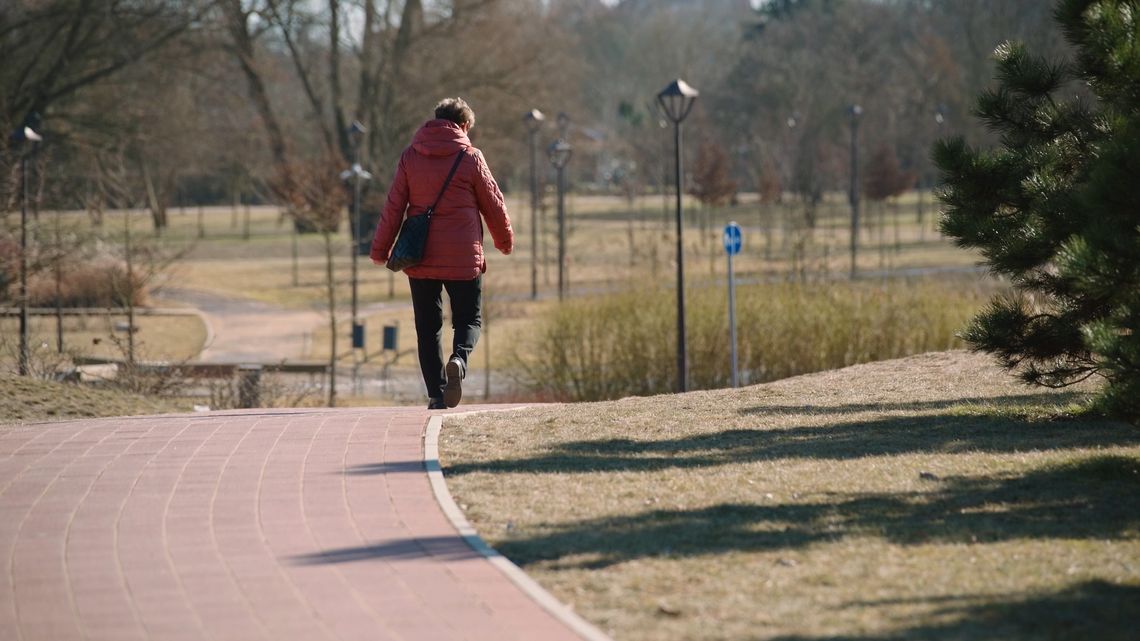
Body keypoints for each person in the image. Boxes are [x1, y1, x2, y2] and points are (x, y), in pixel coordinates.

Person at [370, 98, 513, 409]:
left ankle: (436, 395)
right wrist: (504, 241)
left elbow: (394, 206)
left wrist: (381, 250)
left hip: (419, 257)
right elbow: (494, 205)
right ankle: (459, 360)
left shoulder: (410, 157)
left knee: (427, 327)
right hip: (463, 258)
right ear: (463, 126)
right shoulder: (471, 158)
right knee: (469, 320)